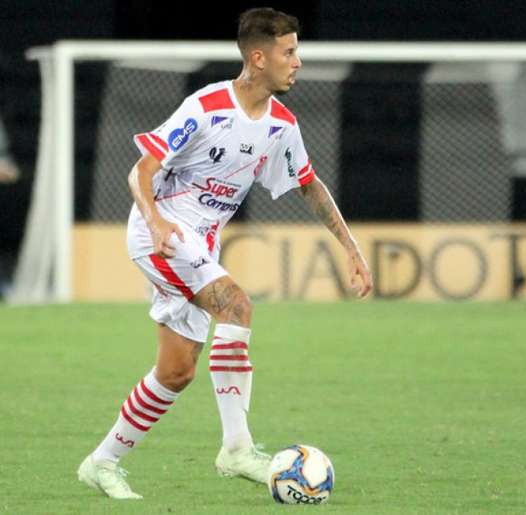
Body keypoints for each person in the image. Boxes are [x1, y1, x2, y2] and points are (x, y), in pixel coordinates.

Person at [77, 7, 372, 500]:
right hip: (164, 232)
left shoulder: (281, 124)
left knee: (176, 371)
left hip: (201, 244)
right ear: (259, 58)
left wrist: (351, 247)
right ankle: (237, 448)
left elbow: (309, 185)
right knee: (237, 305)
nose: (298, 62)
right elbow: (140, 171)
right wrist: (156, 221)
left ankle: (101, 463)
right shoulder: (206, 106)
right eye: (289, 52)